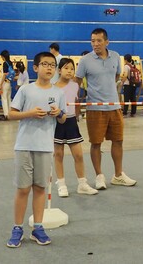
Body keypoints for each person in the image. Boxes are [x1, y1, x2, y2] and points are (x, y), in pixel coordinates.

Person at [6, 51, 67, 248]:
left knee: (40, 188)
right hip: (24, 145)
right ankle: (17, 228)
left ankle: (38, 228)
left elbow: (63, 118)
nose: (49, 68)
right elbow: (11, 115)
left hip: (45, 147)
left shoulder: (58, 93)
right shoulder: (25, 90)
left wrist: (59, 114)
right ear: (35, 67)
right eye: (44, 64)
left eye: (52, 65)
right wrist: (30, 113)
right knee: (23, 188)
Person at [75, 28, 136, 190]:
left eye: (99, 41)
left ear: (106, 42)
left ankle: (118, 175)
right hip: (95, 108)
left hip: (114, 107)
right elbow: (77, 82)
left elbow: (116, 77)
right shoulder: (85, 60)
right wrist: (70, 103)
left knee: (118, 141)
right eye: (93, 41)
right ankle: (99, 176)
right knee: (96, 143)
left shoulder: (116, 57)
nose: (95, 44)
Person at [53, 58, 98, 197]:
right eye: (66, 68)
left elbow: (75, 102)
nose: (69, 71)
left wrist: (78, 116)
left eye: (72, 69)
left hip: (71, 122)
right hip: (57, 123)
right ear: (59, 70)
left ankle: (82, 184)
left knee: (78, 155)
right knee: (58, 154)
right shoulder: (53, 87)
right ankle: (61, 185)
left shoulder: (75, 86)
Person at [0, 50, 15, 120]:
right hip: (9, 83)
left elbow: (4, 75)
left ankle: (6, 115)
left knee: (4, 99)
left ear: (3, 56)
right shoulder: (10, 63)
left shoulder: (5, 63)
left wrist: (0, 85)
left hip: (5, 82)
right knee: (8, 98)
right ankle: (10, 113)